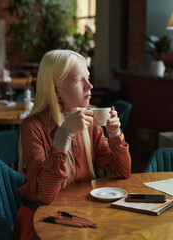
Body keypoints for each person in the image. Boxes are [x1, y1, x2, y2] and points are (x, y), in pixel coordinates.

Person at [13, 50, 131, 239]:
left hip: (83, 212)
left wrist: (115, 134)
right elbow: (44, 195)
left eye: (88, 78)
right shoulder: (33, 126)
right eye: (78, 80)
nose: (90, 86)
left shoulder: (90, 121)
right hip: (44, 221)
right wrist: (64, 136)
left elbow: (123, 171)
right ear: (56, 88)